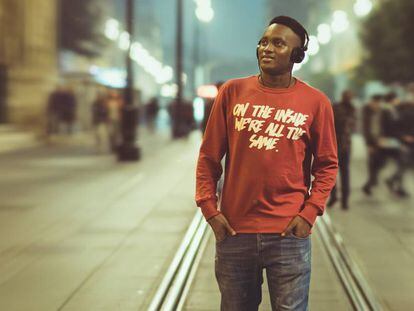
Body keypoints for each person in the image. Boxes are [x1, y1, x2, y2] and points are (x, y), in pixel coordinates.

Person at [195, 16, 338, 311]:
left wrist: (309, 213)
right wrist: (209, 209)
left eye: (278, 43)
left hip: (289, 233)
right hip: (235, 232)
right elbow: (209, 157)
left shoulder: (316, 101)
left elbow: (326, 165)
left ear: (297, 55)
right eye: (263, 42)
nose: (266, 48)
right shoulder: (232, 92)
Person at [327, 90, 356, 210]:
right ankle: (334, 197)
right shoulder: (336, 107)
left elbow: (353, 126)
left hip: (345, 145)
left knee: (345, 173)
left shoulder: (352, 109)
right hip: (336, 144)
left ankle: (344, 200)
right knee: (333, 172)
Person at [362, 94, 384, 195]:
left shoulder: (381, 112)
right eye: (376, 103)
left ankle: (373, 180)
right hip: (372, 141)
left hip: (380, 140)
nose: (377, 105)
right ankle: (369, 184)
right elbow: (365, 130)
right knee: (372, 163)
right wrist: (369, 144)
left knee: (380, 162)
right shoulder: (367, 112)